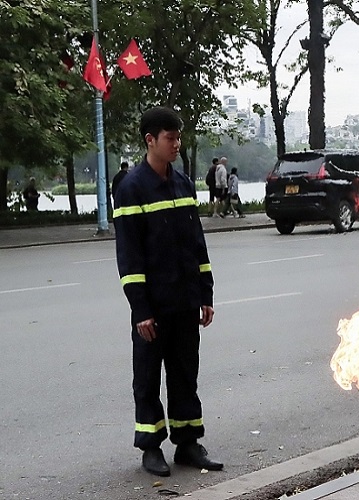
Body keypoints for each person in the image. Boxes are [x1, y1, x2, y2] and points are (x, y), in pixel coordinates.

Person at [113, 106, 222, 477]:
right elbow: (129, 258)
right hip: (153, 307)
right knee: (147, 378)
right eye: (170, 138)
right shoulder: (131, 189)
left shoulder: (184, 185)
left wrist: (205, 295)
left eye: (179, 137)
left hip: (186, 302)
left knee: (184, 375)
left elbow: (197, 246)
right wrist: (140, 309)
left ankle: (189, 443)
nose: (177, 144)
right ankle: (151, 448)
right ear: (150, 140)